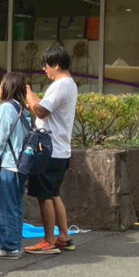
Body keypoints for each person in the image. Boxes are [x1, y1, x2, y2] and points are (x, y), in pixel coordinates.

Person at [24, 44, 78, 255]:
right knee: (54, 193)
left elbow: (41, 111)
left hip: (48, 150)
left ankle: (48, 240)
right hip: (61, 149)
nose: (44, 69)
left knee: (44, 196)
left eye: (46, 65)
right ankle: (63, 236)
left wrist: (27, 93)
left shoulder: (60, 85)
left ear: (56, 65)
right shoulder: (70, 84)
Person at [0, 73, 32, 260]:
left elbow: (0, 139)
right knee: (16, 207)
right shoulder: (22, 109)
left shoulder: (6, 107)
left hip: (9, 165)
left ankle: (9, 247)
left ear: (7, 87)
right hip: (21, 165)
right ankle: (16, 244)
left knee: (5, 208)